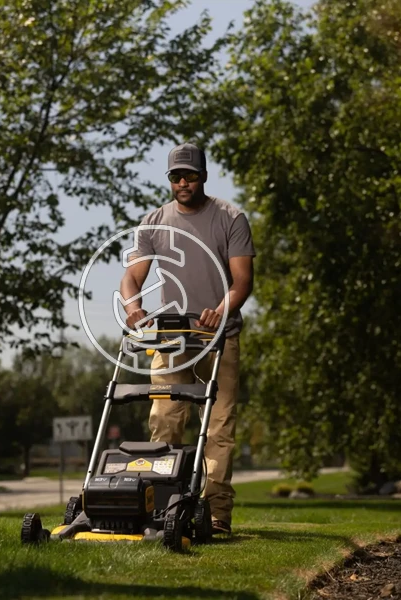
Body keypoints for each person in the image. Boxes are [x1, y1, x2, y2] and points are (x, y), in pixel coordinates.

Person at [119, 142, 256, 535]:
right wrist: (133, 307)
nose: (183, 183)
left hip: (219, 337)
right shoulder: (154, 222)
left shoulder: (230, 218)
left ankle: (216, 514)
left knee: (218, 427)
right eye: (176, 177)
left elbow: (242, 281)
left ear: (203, 177)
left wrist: (221, 309)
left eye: (190, 176)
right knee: (164, 419)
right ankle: (163, 506)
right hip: (172, 338)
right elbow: (132, 277)